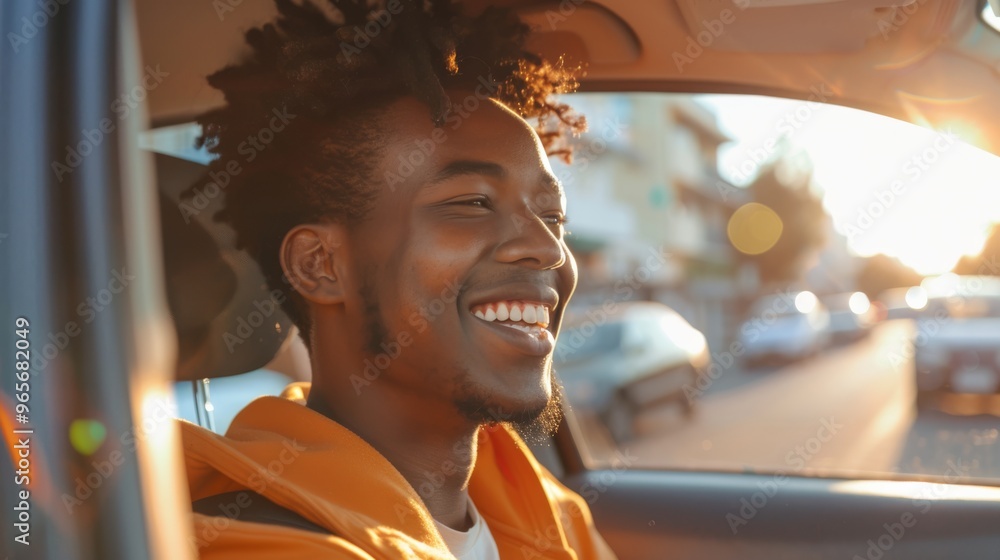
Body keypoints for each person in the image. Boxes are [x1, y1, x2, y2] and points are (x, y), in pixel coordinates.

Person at [179, 0, 616, 558]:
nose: (549, 249)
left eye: (553, 216)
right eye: (473, 202)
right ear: (320, 264)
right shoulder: (264, 544)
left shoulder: (533, 499)